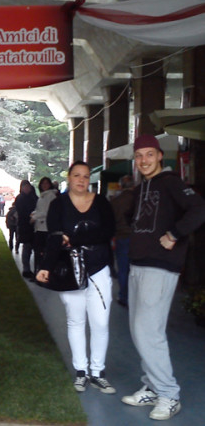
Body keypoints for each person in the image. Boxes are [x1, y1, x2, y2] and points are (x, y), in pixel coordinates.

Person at [121, 135, 205, 421]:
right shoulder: (143, 186)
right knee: (138, 331)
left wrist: (175, 235)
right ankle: (153, 387)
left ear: (160, 156)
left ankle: (169, 394)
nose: (144, 160)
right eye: (139, 156)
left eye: (149, 155)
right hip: (138, 264)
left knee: (149, 332)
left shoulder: (170, 182)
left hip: (160, 266)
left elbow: (199, 209)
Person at [36, 161, 116, 395]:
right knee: (75, 320)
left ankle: (98, 371)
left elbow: (107, 231)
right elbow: (55, 236)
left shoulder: (101, 202)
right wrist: (46, 266)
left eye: (85, 175)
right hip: (70, 270)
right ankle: (81, 371)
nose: (81, 180)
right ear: (69, 178)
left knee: (100, 322)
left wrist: (75, 238)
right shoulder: (58, 204)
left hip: (99, 268)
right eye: (77, 175)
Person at [110, 175, 134, 307]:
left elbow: (110, 221)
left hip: (121, 237)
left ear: (120, 185)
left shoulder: (115, 201)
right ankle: (136, 297)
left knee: (123, 269)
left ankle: (124, 296)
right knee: (136, 270)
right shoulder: (139, 199)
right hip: (138, 238)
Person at [31, 177, 58, 272]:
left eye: (46, 183)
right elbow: (40, 210)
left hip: (45, 228)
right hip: (40, 227)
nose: (44, 185)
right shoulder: (43, 196)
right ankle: (37, 272)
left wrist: (34, 217)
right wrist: (34, 214)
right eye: (43, 183)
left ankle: (43, 273)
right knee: (38, 252)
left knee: (43, 252)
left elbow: (47, 212)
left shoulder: (50, 196)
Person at [14, 180, 38, 279]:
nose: (27, 188)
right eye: (25, 187)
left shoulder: (33, 197)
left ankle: (32, 269)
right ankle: (26, 269)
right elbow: (21, 211)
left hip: (33, 225)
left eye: (28, 186)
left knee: (33, 248)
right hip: (25, 225)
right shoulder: (20, 198)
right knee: (27, 247)